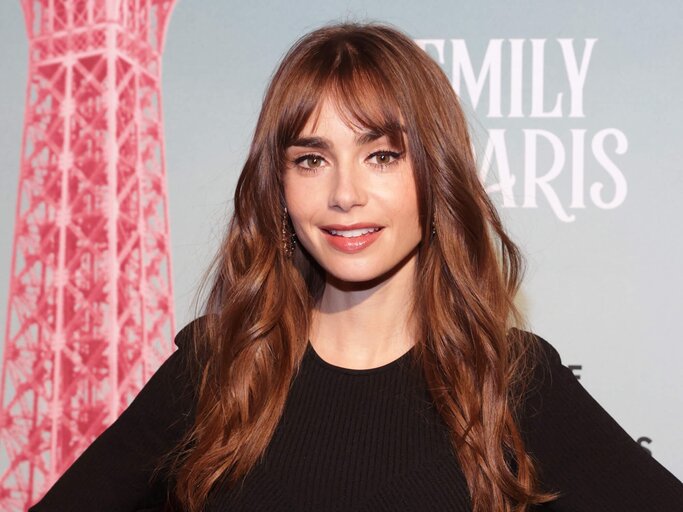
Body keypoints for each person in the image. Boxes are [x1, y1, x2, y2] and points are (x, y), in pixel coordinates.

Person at [30, 22, 683, 512]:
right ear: (277, 186)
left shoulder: (508, 378)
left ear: (435, 175)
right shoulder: (216, 367)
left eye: (382, 156)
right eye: (311, 159)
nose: (344, 193)